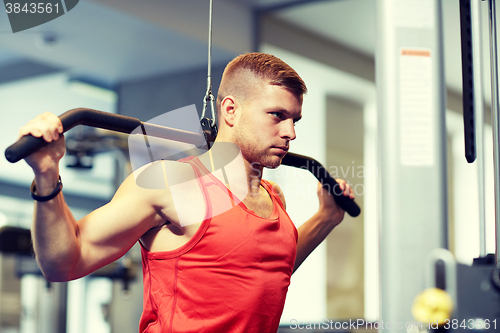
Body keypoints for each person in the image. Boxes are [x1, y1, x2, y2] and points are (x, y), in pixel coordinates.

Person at [18, 52, 354, 333]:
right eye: (277, 116)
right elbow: (64, 263)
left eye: (295, 119)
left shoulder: (274, 196)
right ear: (230, 110)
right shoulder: (172, 184)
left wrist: (326, 218)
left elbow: (265, 270)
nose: (290, 133)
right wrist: (47, 175)